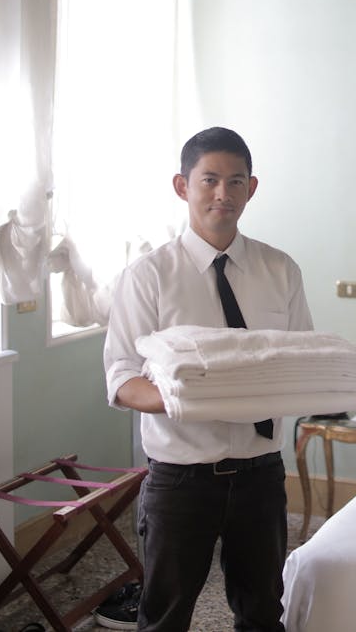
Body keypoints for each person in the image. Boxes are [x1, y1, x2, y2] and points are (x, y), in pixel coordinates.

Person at [99, 127, 313, 632]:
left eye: (235, 182)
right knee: (166, 617)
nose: (223, 194)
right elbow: (122, 379)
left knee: (262, 613)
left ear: (251, 188)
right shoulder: (148, 276)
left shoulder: (280, 269)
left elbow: (300, 356)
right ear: (182, 185)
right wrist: (188, 399)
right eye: (210, 180)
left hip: (260, 472)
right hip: (181, 475)